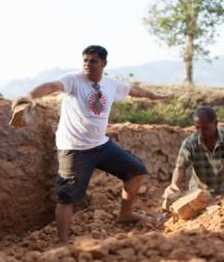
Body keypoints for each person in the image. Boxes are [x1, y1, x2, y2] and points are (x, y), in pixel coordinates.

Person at [12, 45, 167, 244]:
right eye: (85, 60)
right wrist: (30, 96)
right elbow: (51, 86)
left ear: (104, 63)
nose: (87, 64)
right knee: (67, 196)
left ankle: (125, 214)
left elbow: (133, 89)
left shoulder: (111, 84)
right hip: (74, 149)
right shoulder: (73, 80)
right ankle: (63, 243)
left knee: (136, 171)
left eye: (92, 61)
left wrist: (154, 96)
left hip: (101, 146)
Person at [165, 106, 224, 198]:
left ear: (215, 123)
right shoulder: (190, 143)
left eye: (204, 128)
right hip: (198, 194)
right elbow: (180, 167)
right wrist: (174, 185)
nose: (200, 132)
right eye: (197, 128)